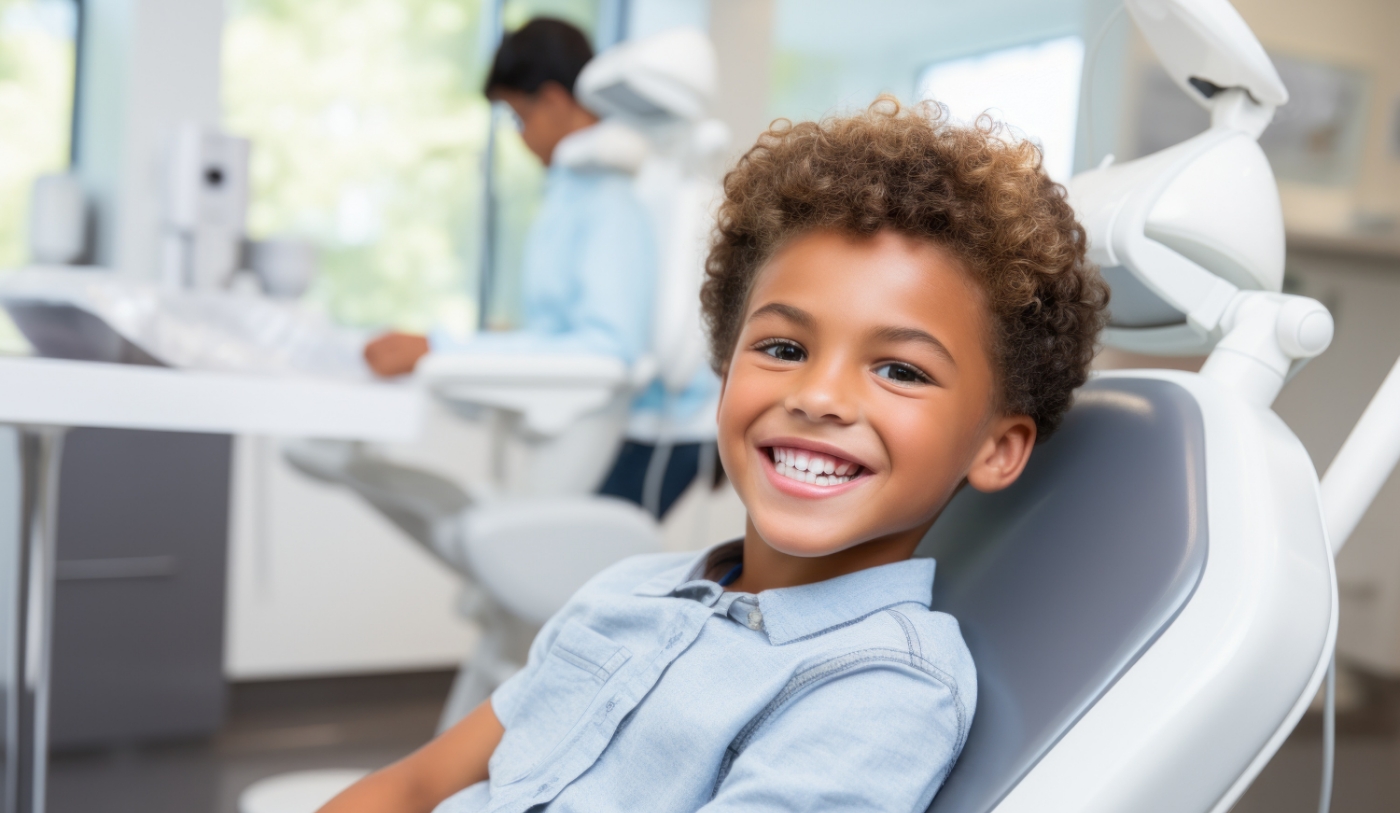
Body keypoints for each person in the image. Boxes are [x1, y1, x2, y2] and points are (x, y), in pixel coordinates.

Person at [321, 97, 1109, 812]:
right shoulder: (627, 592)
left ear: (998, 448)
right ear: (727, 365)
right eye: (782, 345)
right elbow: (419, 783)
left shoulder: (881, 688)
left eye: (899, 369)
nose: (820, 395)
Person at [365, 18, 719, 518]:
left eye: (517, 117)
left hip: (653, 431)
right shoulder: (577, 189)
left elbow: (607, 347)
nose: (519, 137)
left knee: (550, 572)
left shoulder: (610, 197)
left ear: (553, 101)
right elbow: (570, 328)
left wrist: (440, 349)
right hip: (628, 421)